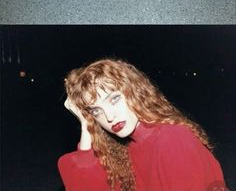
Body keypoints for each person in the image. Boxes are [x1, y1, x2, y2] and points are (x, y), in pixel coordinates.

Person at [58, 58, 227, 191]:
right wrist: (86, 124)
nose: (109, 117)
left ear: (135, 91)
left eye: (114, 99)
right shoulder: (124, 149)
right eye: (97, 111)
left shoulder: (172, 139)